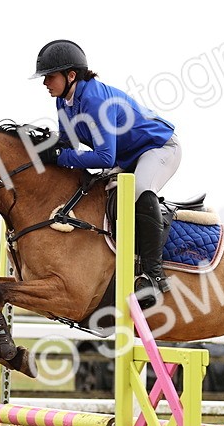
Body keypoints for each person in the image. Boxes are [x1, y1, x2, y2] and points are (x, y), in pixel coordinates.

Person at [31, 39, 180, 305]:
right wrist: (42, 146)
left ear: (71, 75)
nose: (44, 83)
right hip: (126, 157)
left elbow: (104, 157)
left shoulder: (95, 100)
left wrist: (61, 156)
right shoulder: (64, 101)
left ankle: (154, 276)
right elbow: (67, 145)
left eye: (49, 77)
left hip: (158, 149)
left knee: (138, 192)